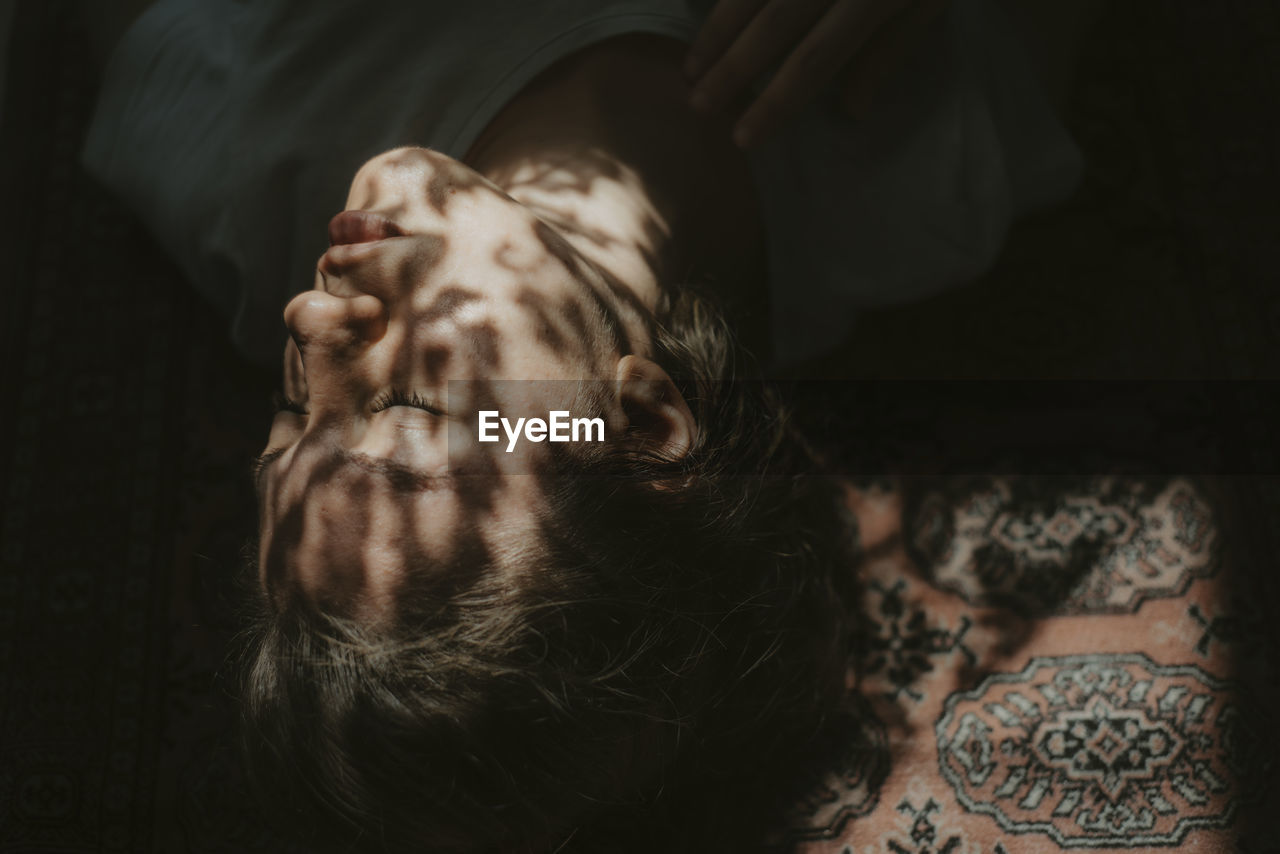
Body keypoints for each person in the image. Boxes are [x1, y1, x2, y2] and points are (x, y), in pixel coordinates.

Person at [78, 0, 1087, 849]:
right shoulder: (923, 150)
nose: (312, 322)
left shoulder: (227, 136)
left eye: (290, 409)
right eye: (409, 405)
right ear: (639, 422)